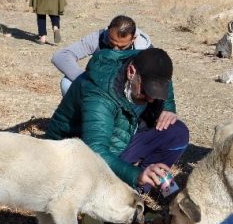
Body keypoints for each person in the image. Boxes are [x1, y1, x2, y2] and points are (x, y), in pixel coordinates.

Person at [45, 47, 189, 194]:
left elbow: (164, 81)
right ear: (131, 72)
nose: (151, 99)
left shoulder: (145, 62)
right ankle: (124, 186)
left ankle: (139, 188)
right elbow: (95, 150)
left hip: (121, 133)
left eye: (156, 93)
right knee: (99, 181)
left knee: (177, 133)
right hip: (78, 151)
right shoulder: (100, 96)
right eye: (147, 91)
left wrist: (168, 107)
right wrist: (135, 174)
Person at [51, 15, 152, 96]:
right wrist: (89, 79)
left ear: (133, 39)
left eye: (122, 47)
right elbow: (61, 56)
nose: (115, 50)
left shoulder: (145, 48)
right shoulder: (99, 37)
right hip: (99, 88)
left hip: (129, 92)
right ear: (108, 31)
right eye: (112, 43)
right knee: (66, 83)